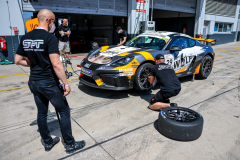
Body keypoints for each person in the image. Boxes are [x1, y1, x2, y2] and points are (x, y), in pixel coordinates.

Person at [15, 9, 85, 153]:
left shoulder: (26, 37)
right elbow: (56, 64)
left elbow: (17, 60)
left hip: (34, 82)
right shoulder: (49, 38)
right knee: (64, 111)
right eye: (54, 21)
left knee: (42, 113)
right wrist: (66, 83)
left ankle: (47, 142)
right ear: (48, 21)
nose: (54, 25)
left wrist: (33, 64)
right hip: (48, 82)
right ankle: (70, 144)